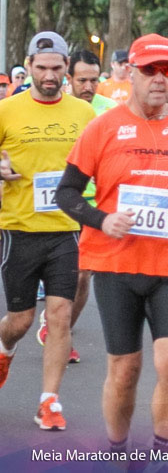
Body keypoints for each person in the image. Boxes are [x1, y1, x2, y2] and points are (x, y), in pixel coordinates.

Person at [55, 33, 168, 454]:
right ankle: (118, 449)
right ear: (130, 73)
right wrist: (101, 218)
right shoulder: (102, 128)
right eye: (150, 70)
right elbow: (67, 193)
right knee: (125, 370)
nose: (159, 79)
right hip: (116, 265)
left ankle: (162, 450)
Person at [0, 32, 96, 430]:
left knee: (59, 315)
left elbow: (103, 166)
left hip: (66, 229)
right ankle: (5, 349)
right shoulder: (7, 110)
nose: (50, 76)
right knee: (20, 321)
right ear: (29, 66)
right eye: (42, 68)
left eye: (57, 68)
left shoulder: (85, 115)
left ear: (67, 70)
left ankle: (49, 401)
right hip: (19, 227)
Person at [37, 49, 117, 364]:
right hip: (56, 200)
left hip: (93, 204)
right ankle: (51, 321)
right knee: (59, 272)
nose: (88, 86)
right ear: (68, 78)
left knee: (84, 276)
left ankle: (62, 331)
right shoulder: (53, 106)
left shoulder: (109, 111)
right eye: (82, 79)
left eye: (94, 80)